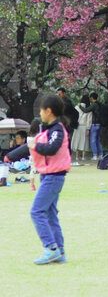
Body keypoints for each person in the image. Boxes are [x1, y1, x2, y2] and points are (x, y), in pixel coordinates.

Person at [3, 93, 71, 264]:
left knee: (37, 211)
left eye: (41, 110)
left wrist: (36, 145)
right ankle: (59, 251)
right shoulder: (47, 129)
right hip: (48, 176)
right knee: (50, 213)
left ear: (48, 111)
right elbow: (29, 147)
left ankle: (51, 248)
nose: (40, 114)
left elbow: (51, 148)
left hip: (54, 177)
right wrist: (9, 157)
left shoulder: (58, 130)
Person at [71, 97, 92, 164]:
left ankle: (77, 156)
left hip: (77, 126)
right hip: (84, 126)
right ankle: (83, 157)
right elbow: (89, 120)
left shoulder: (76, 107)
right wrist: (88, 128)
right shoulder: (88, 109)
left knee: (77, 141)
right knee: (84, 141)